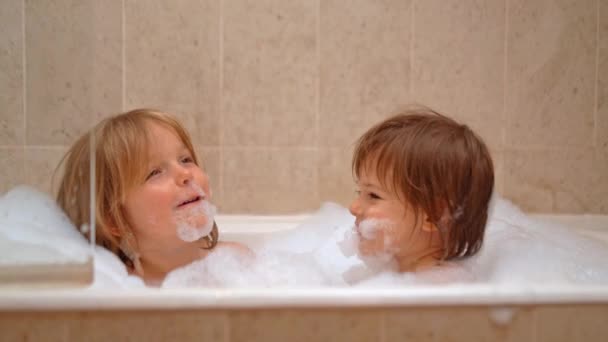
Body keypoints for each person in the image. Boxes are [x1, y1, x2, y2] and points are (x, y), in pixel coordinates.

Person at [56, 108, 247, 286]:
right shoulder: (121, 286)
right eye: (155, 172)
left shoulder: (235, 260)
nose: (185, 174)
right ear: (114, 219)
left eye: (185, 160)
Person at [348, 105, 494, 276]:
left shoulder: (440, 291)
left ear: (434, 215)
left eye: (374, 195)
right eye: (360, 193)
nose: (353, 207)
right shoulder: (397, 279)